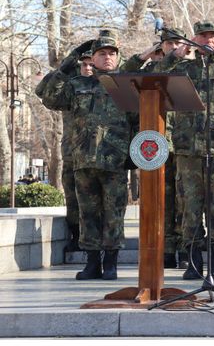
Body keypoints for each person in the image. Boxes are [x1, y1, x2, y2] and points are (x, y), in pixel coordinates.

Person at [155, 20, 214, 280]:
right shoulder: (183, 69)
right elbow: (155, 77)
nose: (208, 40)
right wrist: (174, 55)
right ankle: (194, 261)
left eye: (213, 35)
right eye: (203, 36)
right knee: (190, 207)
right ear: (194, 40)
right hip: (188, 151)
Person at [38, 34, 137, 281]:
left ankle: (111, 264)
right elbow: (48, 97)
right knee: (88, 214)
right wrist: (67, 64)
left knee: (114, 214)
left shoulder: (128, 86)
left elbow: (138, 122)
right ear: (92, 58)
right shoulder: (78, 85)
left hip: (115, 162)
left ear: (118, 57)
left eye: (112, 53)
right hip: (84, 161)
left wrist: (133, 157)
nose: (107, 57)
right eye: (102, 53)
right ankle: (92, 263)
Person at [121, 27, 196, 268]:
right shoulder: (153, 70)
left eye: (178, 43)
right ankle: (166, 250)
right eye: (169, 44)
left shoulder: (190, 68)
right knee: (161, 200)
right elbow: (122, 75)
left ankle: (187, 249)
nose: (174, 48)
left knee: (186, 201)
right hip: (156, 146)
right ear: (161, 46)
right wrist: (142, 57)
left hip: (186, 145)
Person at [36, 39, 94, 253]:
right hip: (72, 151)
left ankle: (99, 240)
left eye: (91, 63)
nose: (88, 68)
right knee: (73, 196)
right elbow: (41, 90)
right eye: (84, 63)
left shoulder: (105, 84)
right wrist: (70, 59)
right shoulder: (69, 84)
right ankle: (76, 236)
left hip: (99, 154)